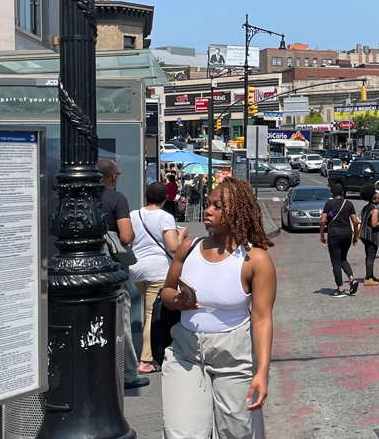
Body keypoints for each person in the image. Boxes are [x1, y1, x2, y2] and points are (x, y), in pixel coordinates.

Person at [161, 177, 277, 439]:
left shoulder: (254, 259)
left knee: (239, 433)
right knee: (181, 434)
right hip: (186, 354)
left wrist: (262, 372)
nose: (208, 211)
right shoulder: (188, 249)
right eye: (208, 204)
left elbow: (262, 319)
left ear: (237, 211)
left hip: (235, 357)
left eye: (218, 206)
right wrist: (178, 300)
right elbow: (166, 292)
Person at [98, 158, 147, 390]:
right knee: (121, 318)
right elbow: (126, 236)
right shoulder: (116, 199)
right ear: (113, 177)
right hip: (110, 268)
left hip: (80, 269)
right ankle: (128, 373)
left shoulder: (78, 197)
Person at [129, 182, 189, 374]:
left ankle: (154, 352)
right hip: (158, 270)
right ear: (164, 198)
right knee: (151, 315)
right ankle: (146, 360)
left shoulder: (134, 214)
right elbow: (173, 247)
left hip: (137, 270)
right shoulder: (165, 217)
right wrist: (181, 235)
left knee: (149, 311)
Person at [320, 183, 360, 297]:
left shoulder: (329, 204)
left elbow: (322, 221)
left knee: (335, 262)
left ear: (332, 193)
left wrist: (322, 235)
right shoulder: (348, 204)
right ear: (342, 193)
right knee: (343, 258)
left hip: (334, 234)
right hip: (347, 233)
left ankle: (340, 289)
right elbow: (355, 221)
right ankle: (352, 279)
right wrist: (355, 235)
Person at [359, 183, 379, 286]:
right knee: (371, 257)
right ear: (373, 199)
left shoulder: (366, 207)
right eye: (378, 198)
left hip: (365, 235)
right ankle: (368, 278)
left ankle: (371, 275)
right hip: (371, 236)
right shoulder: (374, 210)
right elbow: (374, 224)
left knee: (369, 256)